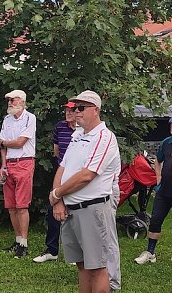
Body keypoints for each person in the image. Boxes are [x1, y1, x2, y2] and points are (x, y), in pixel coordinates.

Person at [49, 90, 121, 293]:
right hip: (71, 208)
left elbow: (87, 175)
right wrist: (59, 200)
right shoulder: (77, 135)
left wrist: (56, 194)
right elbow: (63, 168)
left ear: (96, 110)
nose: (76, 112)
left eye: (81, 108)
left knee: (97, 266)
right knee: (81, 265)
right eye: (74, 107)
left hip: (93, 209)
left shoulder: (104, 137)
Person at [134, 111, 172, 266]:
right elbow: (158, 161)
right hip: (163, 190)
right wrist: (158, 176)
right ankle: (150, 252)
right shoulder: (166, 142)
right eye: (171, 124)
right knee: (155, 221)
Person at [33, 101, 77, 263]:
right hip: (62, 173)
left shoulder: (83, 130)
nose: (68, 113)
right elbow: (56, 151)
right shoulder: (60, 127)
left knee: (74, 213)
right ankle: (52, 250)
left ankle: (75, 254)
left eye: (71, 110)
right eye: (66, 110)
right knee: (53, 210)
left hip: (77, 176)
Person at [0, 89, 37, 258]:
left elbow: (20, 142)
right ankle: (18, 239)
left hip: (24, 162)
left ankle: (24, 243)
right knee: (11, 206)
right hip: (10, 164)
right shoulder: (7, 119)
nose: (10, 102)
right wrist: (3, 166)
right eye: (9, 100)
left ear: (22, 101)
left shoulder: (30, 118)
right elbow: (2, 147)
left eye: (13, 100)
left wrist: (5, 143)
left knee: (22, 206)